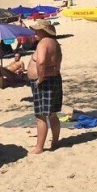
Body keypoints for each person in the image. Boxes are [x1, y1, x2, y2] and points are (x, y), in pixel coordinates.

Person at [27, 19, 63, 154]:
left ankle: (39, 147)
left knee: (41, 115)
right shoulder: (55, 43)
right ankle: (55, 142)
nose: (35, 32)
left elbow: (41, 62)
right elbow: (58, 61)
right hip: (53, 79)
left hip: (44, 82)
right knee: (52, 114)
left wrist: (40, 78)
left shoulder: (43, 42)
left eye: (37, 30)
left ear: (43, 31)